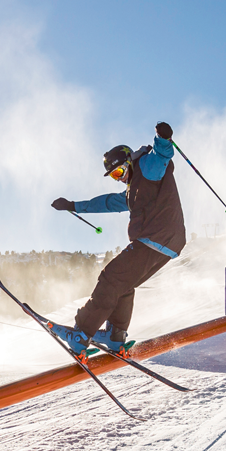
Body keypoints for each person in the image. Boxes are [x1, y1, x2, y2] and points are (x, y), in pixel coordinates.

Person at [47, 121, 186, 354]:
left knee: (111, 278)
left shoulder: (146, 167)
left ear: (128, 161)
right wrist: (73, 205)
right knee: (123, 284)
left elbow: (162, 156)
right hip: (167, 243)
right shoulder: (135, 188)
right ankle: (115, 335)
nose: (120, 178)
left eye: (120, 171)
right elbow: (109, 202)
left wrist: (162, 138)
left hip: (155, 236)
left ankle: (81, 333)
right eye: (114, 176)